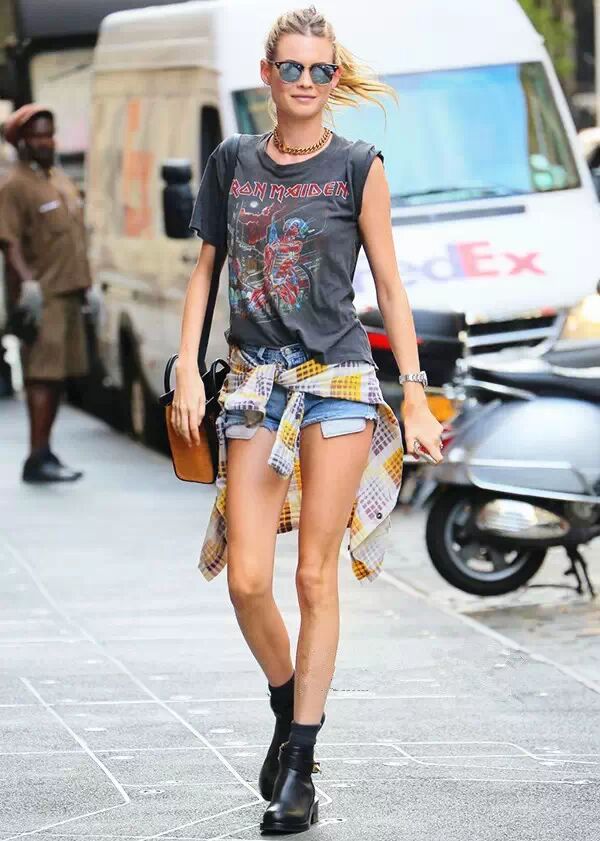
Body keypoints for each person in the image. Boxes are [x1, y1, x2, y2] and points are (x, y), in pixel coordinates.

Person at [173, 5, 444, 832]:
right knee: (248, 579)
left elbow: (389, 286)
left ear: (334, 77)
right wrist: (186, 369)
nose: (304, 81)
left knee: (313, 577)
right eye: (289, 67)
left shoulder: (359, 166)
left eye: (319, 69)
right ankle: (289, 700)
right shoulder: (233, 161)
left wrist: (415, 391)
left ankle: (299, 766)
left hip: (339, 383)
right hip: (255, 384)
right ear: (267, 74)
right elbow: (205, 270)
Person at [0, 104, 93, 483]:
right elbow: (8, 243)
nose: (46, 142)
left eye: (49, 134)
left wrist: (88, 286)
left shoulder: (57, 178)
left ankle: (46, 451)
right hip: (45, 297)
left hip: (70, 293)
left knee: (58, 378)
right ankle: (36, 456)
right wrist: (28, 285)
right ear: (21, 141)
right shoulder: (15, 185)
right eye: (37, 135)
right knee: (41, 376)